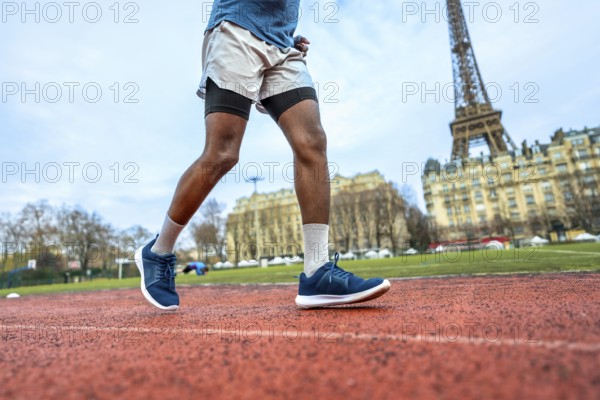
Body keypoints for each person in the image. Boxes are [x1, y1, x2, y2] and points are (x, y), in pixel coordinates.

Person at [134, 0, 391, 310]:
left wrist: (283, 33)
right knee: (222, 154)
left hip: (282, 46)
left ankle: (317, 272)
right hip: (236, 32)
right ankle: (159, 251)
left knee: (312, 142)